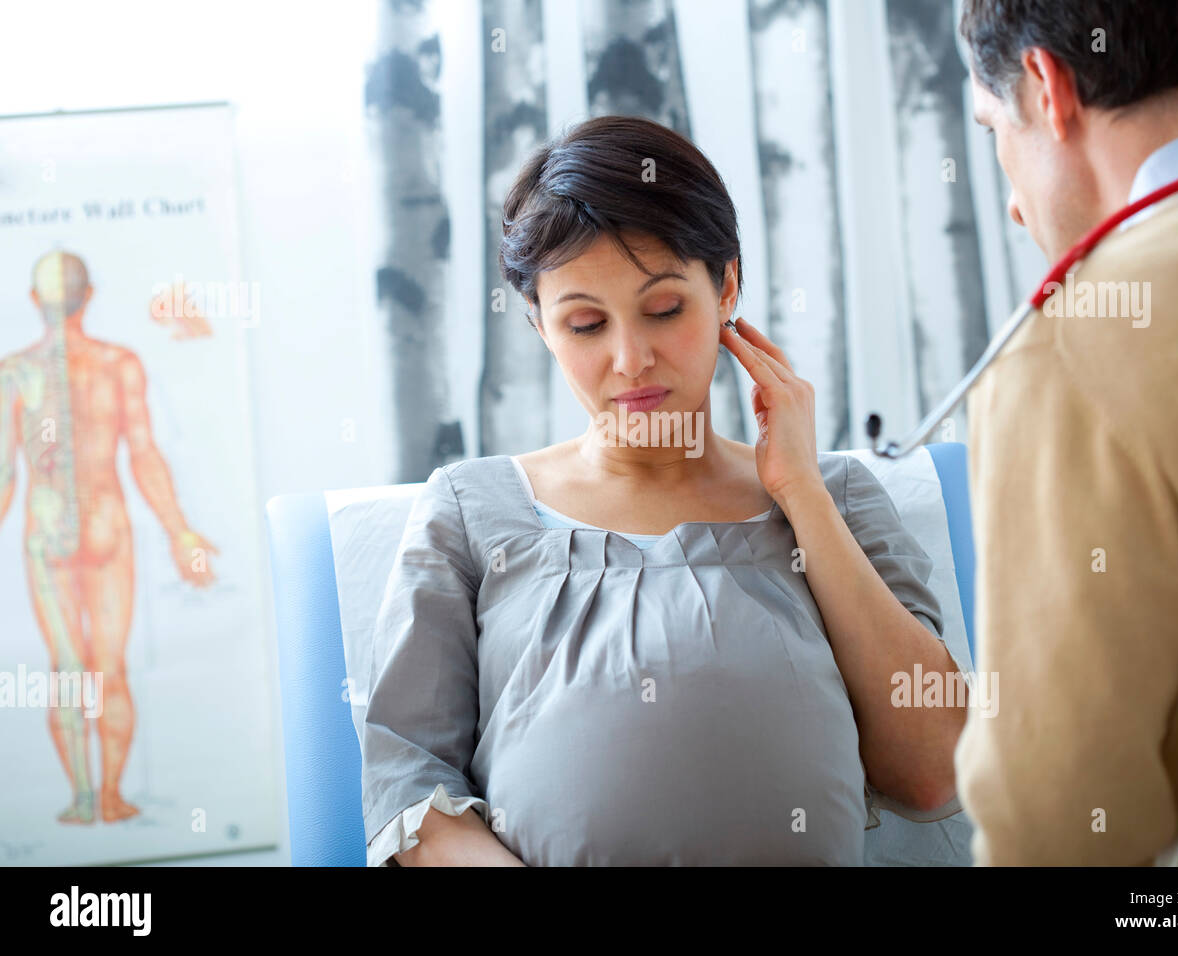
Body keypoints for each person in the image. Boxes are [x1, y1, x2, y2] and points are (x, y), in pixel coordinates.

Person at [360, 115, 968, 866]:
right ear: (539, 327)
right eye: (585, 324)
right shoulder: (469, 510)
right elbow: (408, 790)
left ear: (727, 289)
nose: (631, 359)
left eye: (664, 310)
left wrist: (800, 495)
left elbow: (934, 773)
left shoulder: (833, 496)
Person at [953, 0, 1178, 864]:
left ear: (1047, 84)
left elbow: (1060, 825)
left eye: (995, 126)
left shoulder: (1071, 349)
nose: (1010, 205)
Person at [0, 250, 218, 825]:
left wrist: (180, 531)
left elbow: (4, 476)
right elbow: (143, 454)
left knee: (69, 667)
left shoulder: (13, 372)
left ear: (32, 301)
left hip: (47, 534)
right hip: (106, 529)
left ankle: (81, 797)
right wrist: (180, 531)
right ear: (89, 295)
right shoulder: (117, 363)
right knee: (108, 666)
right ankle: (112, 796)